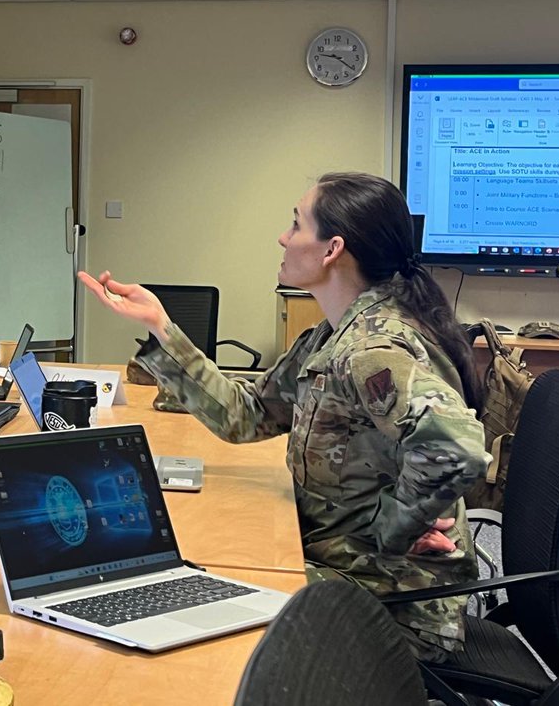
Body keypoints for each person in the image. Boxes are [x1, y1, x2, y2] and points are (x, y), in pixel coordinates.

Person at [80, 171, 489, 662]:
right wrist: (161, 326)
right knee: (199, 573)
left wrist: (395, 525)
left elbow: (457, 448)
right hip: (346, 566)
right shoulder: (332, 336)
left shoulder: (373, 348)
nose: (283, 236)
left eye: (296, 224)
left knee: (194, 604)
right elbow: (247, 414)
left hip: (395, 604)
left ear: (331, 249)